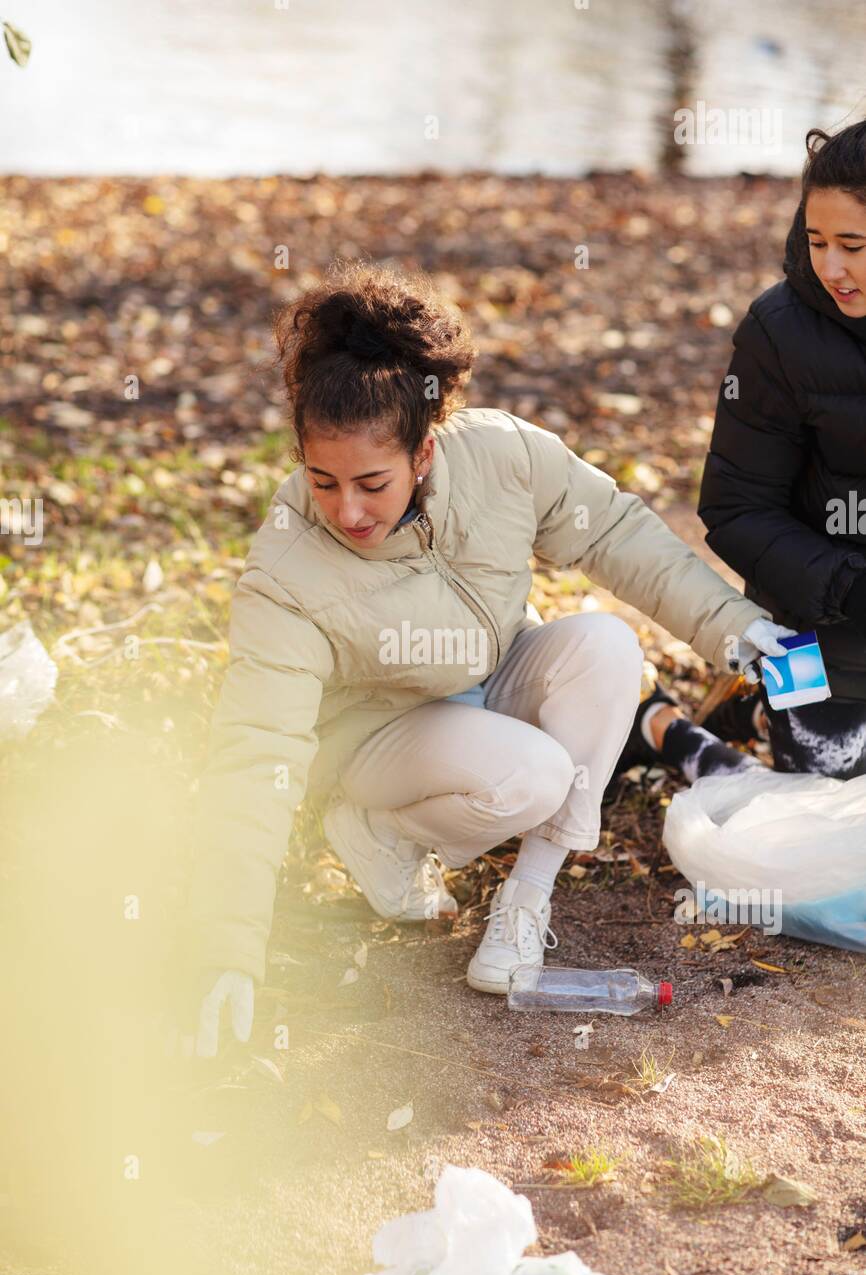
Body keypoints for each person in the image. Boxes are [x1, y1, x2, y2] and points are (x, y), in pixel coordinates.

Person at [176, 261, 791, 1057]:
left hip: (488, 681)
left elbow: (613, 532)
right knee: (532, 776)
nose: (348, 510)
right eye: (322, 481)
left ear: (424, 451)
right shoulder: (287, 572)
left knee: (605, 645)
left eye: (372, 482)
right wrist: (225, 949)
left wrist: (733, 629)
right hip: (377, 740)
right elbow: (255, 752)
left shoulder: (502, 456)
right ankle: (380, 829)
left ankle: (525, 902)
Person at [615, 121, 866, 787]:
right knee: (827, 837)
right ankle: (662, 726)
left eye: (853, 246)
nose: (831, 268)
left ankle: (753, 710)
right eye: (817, 242)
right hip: (812, 633)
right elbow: (734, 507)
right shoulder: (776, 334)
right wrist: (848, 585)